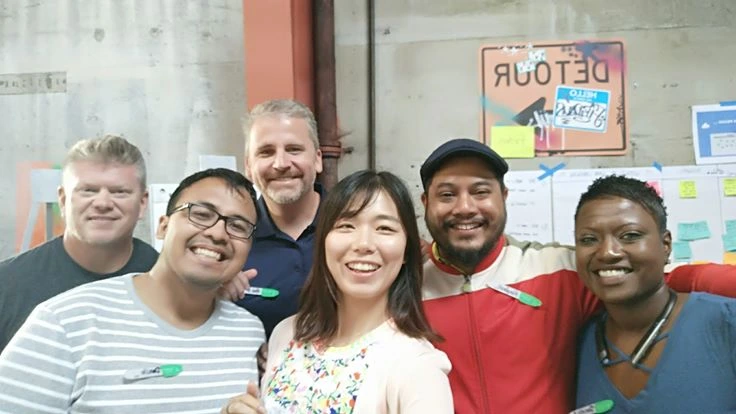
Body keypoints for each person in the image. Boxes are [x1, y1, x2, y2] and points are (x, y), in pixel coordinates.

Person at [418, 138, 736, 413]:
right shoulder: (404, 287)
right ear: (425, 203)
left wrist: (710, 280)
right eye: (447, 195)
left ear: (504, 196)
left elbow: (650, 278)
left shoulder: (559, 269)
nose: (464, 207)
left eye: (480, 191)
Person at [0, 168, 266, 413]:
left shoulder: (248, 332)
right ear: (163, 226)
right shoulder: (66, 321)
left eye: (238, 226)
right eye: (201, 214)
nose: (218, 233)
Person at [222, 170, 453, 414]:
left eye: (384, 228)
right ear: (323, 242)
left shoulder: (416, 365)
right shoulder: (286, 333)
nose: (363, 244)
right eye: (346, 226)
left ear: (407, 249)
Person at [573, 175, 736, 413]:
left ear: (665, 245)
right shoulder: (576, 343)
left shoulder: (725, 324)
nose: (607, 252)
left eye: (630, 236)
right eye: (588, 239)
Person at [0, 135, 158, 351]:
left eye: (119, 192)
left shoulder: (173, 282)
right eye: (88, 190)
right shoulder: (7, 286)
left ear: (142, 203)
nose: (102, 203)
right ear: (63, 200)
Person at [227, 99, 324, 339]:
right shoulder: (229, 240)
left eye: (294, 149)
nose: (281, 164)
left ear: (317, 159)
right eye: (266, 152)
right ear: (248, 166)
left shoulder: (354, 227)